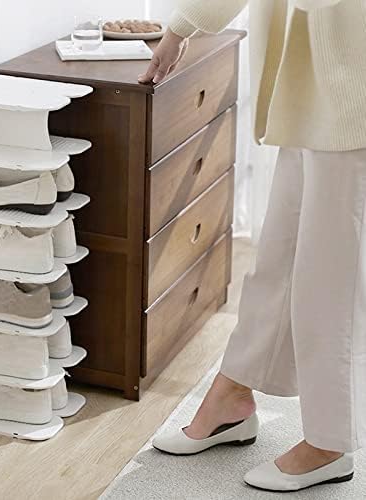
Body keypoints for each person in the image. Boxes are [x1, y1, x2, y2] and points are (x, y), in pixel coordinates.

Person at [139, 0, 366, 493]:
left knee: (332, 278)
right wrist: (182, 27)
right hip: (311, 72)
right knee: (279, 260)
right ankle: (233, 395)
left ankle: (330, 441)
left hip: (352, 72)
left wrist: (180, 29)